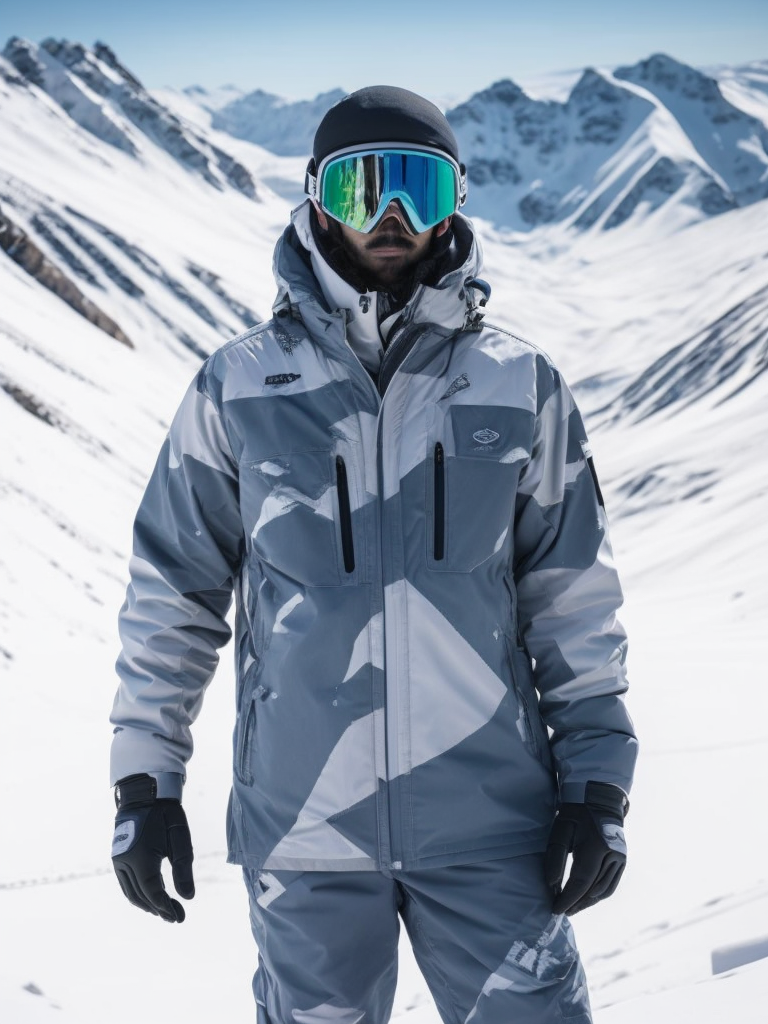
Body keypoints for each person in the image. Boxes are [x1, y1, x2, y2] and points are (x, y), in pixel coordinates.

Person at [110, 85, 637, 1024]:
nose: (392, 217)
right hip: (305, 831)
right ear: (317, 198)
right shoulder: (239, 387)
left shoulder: (516, 386)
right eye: (363, 189)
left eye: (420, 189)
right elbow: (174, 593)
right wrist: (146, 784)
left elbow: (571, 600)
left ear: (457, 202)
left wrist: (598, 786)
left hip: (491, 830)